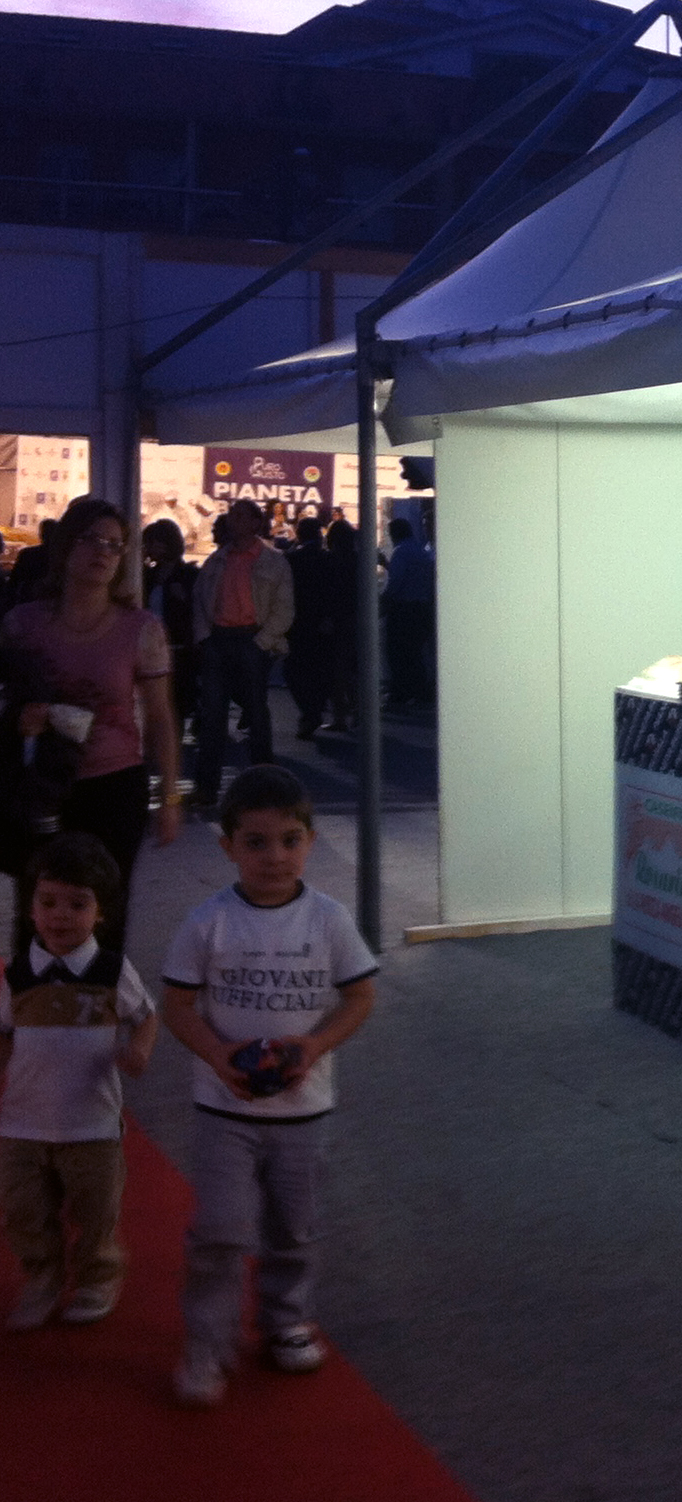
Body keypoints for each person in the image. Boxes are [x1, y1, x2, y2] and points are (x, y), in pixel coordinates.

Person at [161, 765, 378, 1407]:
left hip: (302, 1111)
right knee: (219, 1231)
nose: (274, 856)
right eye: (255, 842)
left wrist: (315, 1045)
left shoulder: (330, 920)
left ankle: (286, 1319)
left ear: (311, 840)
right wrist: (218, 1055)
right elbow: (177, 1005)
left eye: (289, 840)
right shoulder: (208, 922)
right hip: (224, 1109)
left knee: (295, 1228)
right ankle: (208, 1341)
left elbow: (360, 996)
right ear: (227, 846)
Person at [2, 497, 183, 957]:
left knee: (105, 910)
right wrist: (19, 720)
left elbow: (160, 717)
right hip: (40, 785)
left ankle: (99, 998)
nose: (103, 552)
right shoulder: (23, 624)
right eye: (92, 540)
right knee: (37, 908)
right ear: (66, 545)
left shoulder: (140, 629)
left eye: (115, 545)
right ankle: (32, 997)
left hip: (114, 785)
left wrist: (169, 797)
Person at [0, 834, 157, 1331]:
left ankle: (97, 1276)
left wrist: (139, 1050)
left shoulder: (111, 971)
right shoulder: (18, 973)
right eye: (47, 903)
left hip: (92, 1122)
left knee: (96, 1210)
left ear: (101, 912)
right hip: (23, 1122)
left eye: (77, 904)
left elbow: (145, 1015)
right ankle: (42, 1277)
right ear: (30, 907)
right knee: (24, 1210)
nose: (60, 916)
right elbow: (5, 1029)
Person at [191, 499, 293, 811]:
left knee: (256, 715)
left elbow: (284, 607)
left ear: (255, 522)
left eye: (239, 515)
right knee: (214, 716)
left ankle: (265, 786)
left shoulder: (272, 561)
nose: (232, 520)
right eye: (231, 515)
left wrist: (262, 642)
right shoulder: (218, 559)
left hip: (251, 637)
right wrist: (205, 637)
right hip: (221, 638)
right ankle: (207, 787)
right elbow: (200, 599)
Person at [141, 518, 198, 745]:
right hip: (150, 644)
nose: (149, 548)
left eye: (152, 543)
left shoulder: (188, 575)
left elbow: (198, 609)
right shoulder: (147, 575)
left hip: (178, 646)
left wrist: (183, 599)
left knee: (176, 701)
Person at [284, 517, 335, 739]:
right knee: (320, 667)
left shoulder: (291, 558)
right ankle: (315, 707)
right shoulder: (328, 559)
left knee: (294, 669)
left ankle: (309, 710)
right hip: (322, 622)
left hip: (297, 621)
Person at [381, 517, 434, 708]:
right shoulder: (421, 550)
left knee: (397, 652)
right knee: (414, 653)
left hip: (403, 609)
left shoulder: (400, 551)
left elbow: (395, 582)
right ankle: (420, 691)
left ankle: (400, 692)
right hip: (421, 607)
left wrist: (383, 602)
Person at [321, 518, 360, 731]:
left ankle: (340, 717)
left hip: (336, 620)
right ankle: (359, 711)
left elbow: (328, 592)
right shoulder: (358, 560)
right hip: (356, 619)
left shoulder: (330, 561)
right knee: (354, 669)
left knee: (336, 670)